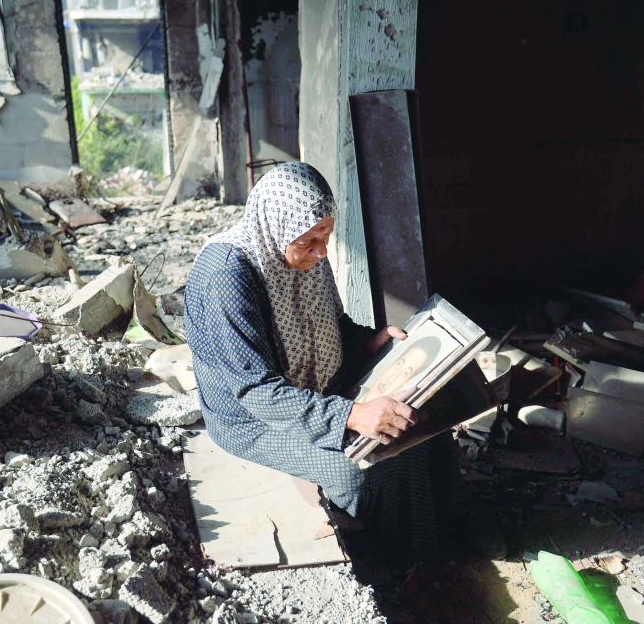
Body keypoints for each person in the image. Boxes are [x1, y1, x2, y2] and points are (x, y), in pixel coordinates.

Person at [184, 162, 499, 561]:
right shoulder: (227, 276)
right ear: (276, 225)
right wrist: (352, 416)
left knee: (423, 421)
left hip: (316, 387)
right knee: (356, 472)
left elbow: (332, 323)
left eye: (326, 236)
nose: (321, 252)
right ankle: (394, 561)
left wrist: (368, 342)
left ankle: (451, 520)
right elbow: (256, 391)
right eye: (309, 242)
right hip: (252, 418)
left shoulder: (305, 251)